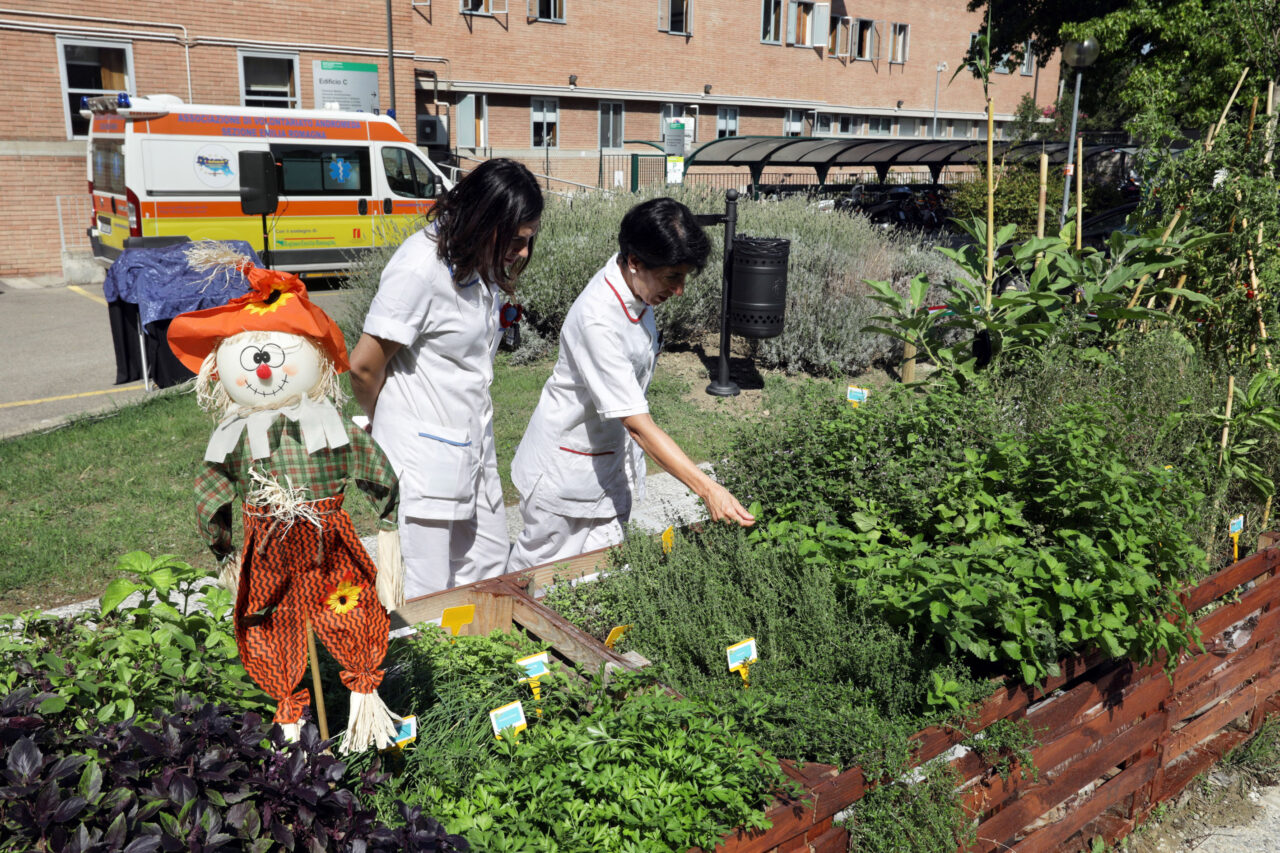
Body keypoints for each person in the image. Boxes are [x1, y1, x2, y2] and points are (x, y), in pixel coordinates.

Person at [507, 197, 754, 571]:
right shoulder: (598, 319)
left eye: (684, 277)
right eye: (673, 276)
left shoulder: (636, 289)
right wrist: (708, 490)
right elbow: (637, 425)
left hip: (605, 470)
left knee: (599, 580)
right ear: (635, 261)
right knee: (538, 583)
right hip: (563, 478)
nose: (680, 290)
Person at [349, 158, 542, 598]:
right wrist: (381, 424)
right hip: (422, 456)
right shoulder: (419, 267)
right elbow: (363, 366)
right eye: (514, 238)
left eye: (528, 240)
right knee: (427, 589)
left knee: (489, 568)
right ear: (482, 219)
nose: (523, 252)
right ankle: (424, 667)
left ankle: (481, 658)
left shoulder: (474, 264)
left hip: (471, 444)